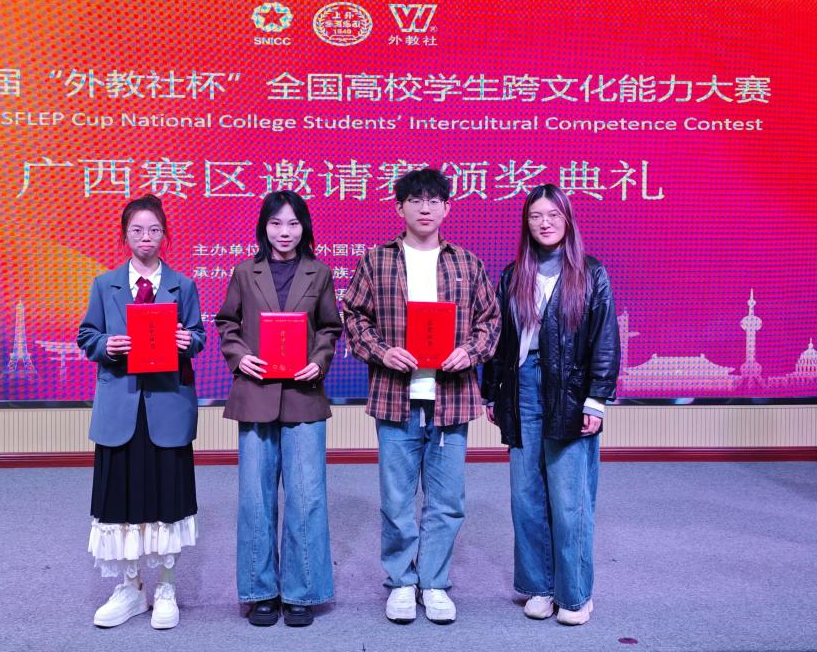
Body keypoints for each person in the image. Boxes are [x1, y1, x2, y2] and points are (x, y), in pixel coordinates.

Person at [342, 168, 500, 625]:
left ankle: (433, 582)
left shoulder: (467, 263)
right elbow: (352, 316)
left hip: (451, 399)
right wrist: (382, 351)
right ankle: (400, 581)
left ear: (447, 208)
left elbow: (491, 322)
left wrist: (469, 352)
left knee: (447, 500)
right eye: (415, 200)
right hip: (397, 398)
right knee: (396, 500)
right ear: (400, 207)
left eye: (434, 200)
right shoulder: (377, 261)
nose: (425, 208)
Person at [481, 183, 620, 626]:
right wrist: (492, 392)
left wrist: (596, 400)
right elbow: (500, 342)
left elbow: (605, 341)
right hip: (521, 387)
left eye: (553, 215)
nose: (545, 223)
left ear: (567, 220)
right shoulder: (512, 275)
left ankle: (574, 595)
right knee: (526, 497)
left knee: (569, 498)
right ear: (526, 222)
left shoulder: (591, 273)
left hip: (570, 391)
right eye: (536, 216)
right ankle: (539, 587)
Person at [77, 193, 206, 630]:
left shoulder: (183, 285)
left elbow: (199, 334)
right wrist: (106, 345)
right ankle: (130, 587)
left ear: (164, 234)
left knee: (167, 497)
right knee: (123, 498)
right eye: (137, 230)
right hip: (121, 406)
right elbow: (87, 335)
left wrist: (188, 340)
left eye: (154, 230)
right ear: (125, 235)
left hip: (167, 405)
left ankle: (166, 587)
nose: (146, 237)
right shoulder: (105, 284)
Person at [215, 191, 343, 627]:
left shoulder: (319, 272)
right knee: (256, 498)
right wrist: (239, 356)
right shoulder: (244, 272)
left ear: (304, 227)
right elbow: (226, 322)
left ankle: (302, 591)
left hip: (304, 394)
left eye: (292, 223)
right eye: (275, 223)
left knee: (306, 497)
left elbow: (329, 327)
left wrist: (319, 360)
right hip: (256, 392)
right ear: (263, 227)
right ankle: (261, 591)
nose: (284, 232)